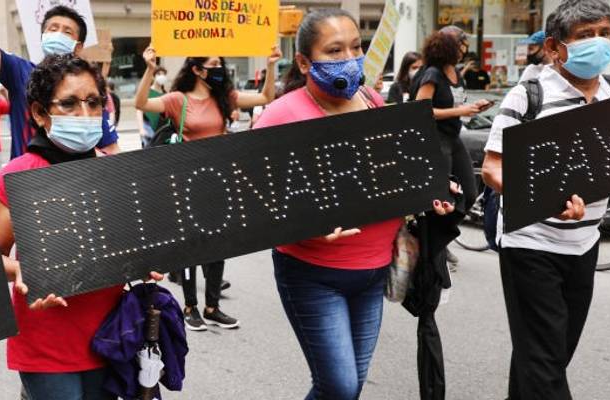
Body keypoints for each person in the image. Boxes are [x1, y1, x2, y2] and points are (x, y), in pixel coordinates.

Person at [252, 9, 458, 399]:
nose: (349, 57)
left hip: (374, 270)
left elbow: (388, 170)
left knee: (352, 385)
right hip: (312, 275)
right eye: (333, 50)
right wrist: (304, 222)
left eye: (355, 46)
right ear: (303, 61)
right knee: (340, 386)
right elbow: (254, 200)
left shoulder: (371, 99)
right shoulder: (282, 115)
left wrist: (430, 187)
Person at [480, 1, 610, 397]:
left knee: (549, 352)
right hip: (531, 244)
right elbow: (492, 170)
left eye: (604, 33)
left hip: (585, 243)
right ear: (556, 48)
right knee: (544, 360)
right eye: (585, 35)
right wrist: (547, 198)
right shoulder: (527, 96)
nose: (598, 43)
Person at [0, 53, 162, 400]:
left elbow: (133, 244)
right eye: (68, 104)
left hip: (111, 336)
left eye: (94, 102)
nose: (84, 115)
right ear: (40, 113)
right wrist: (21, 270)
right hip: (46, 344)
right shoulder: (17, 176)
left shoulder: (116, 171)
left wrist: (150, 261)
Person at [134, 45, 280, 331]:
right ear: (197, 70)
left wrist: (272, 66)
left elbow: (265, 97)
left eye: (219, 64)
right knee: (192, 247)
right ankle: (190, 307)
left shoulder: (224, 98)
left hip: (219, 181)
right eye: (212, 65)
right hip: (186, 183)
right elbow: (141, 104)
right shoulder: (178, 100)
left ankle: (213, 307)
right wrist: (150, 70)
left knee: (218, 244)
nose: (218, 69)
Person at [0, 0, 121, 158]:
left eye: (67, 32)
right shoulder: (19, 71)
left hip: (76, 179)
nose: (58, 34)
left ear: (78, 47)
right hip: (27, 179)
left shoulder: (89, 91)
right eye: (53, 29)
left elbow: (112, 151)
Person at [413, 26, 487, 212]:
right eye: (461, 46)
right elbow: (420, 110)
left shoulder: (456, 74)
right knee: (440, 196)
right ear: (449, 47)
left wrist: (475, 107)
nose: (464, 51)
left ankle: (447, 229)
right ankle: (435, 238)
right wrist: (459, 111)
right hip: (437, 140)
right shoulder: (433, 74)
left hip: (454, 138)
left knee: (469, 193)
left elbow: (456, 104)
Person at [140, 66, 169, 147]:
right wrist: (141, 128)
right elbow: (139, 111)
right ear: (153, 76)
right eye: (159, 74)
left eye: (164, 74)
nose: (162, 76)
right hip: (148, 128)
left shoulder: (166, 94)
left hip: (161, 129)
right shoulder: (147, 92)